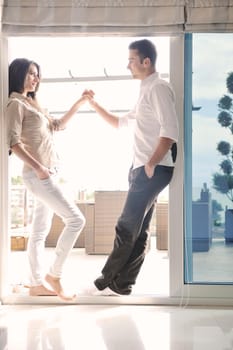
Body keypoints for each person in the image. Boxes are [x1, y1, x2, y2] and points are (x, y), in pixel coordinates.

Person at [85, 39, 179, 296]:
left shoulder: (158, 88)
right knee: (138, 231)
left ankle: (104, 282)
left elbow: (170, 131)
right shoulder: (146, 90)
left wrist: (150, 164)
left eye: (131, 60)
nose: (128, 65)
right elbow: (119, 123)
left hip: (152, 169)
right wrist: (93, 105)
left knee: (126, 226)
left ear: (146, 62)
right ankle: (122, 284)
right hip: (143, 169)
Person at [6, 58, 93, 301]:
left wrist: (80, 102)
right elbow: (13, 142)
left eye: (37, 75)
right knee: (76, 220)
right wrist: (40, 168)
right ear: (19, 74)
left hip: (47, 172)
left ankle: (36, 284)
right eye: (31, 74)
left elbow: (57, 125)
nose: (36, 79)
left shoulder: (33, 103)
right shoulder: (15, 103)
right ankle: (54, 275)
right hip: (37, 174)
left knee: (39, 231)